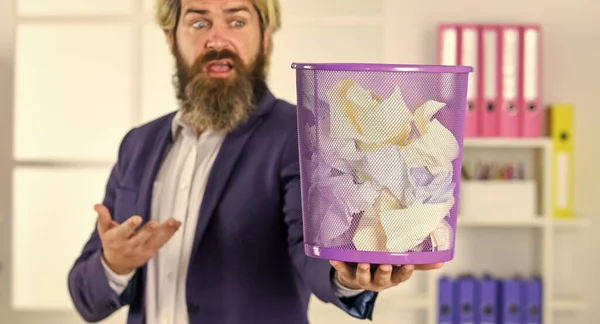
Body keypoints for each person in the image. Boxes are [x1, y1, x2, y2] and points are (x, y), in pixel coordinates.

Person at [67, 0, 443, 323]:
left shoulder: (301, 133)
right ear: (171, 38)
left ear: (265, 37)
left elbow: (310, 249)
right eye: (199, 22)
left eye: (236, 21)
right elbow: (86, 298)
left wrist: (347, 275)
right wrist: (113, 264)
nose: (217, 39)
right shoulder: (138, 145)